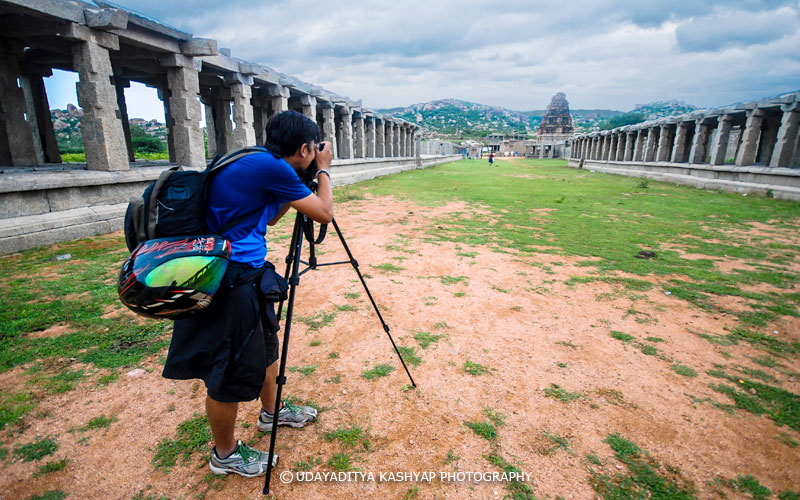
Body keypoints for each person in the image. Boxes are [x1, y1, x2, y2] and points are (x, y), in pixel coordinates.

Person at [161, 110, 334, 478]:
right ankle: (224, 455)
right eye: (312, 149)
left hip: (243, 275)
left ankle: (273, 413)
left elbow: (269, 217)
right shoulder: (271, 168)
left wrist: (298, 182)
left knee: (266, 346)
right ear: (304, 148)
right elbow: (323, 213)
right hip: (229, 279)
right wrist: (323, 171)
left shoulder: (259, 160)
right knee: (229, 368)